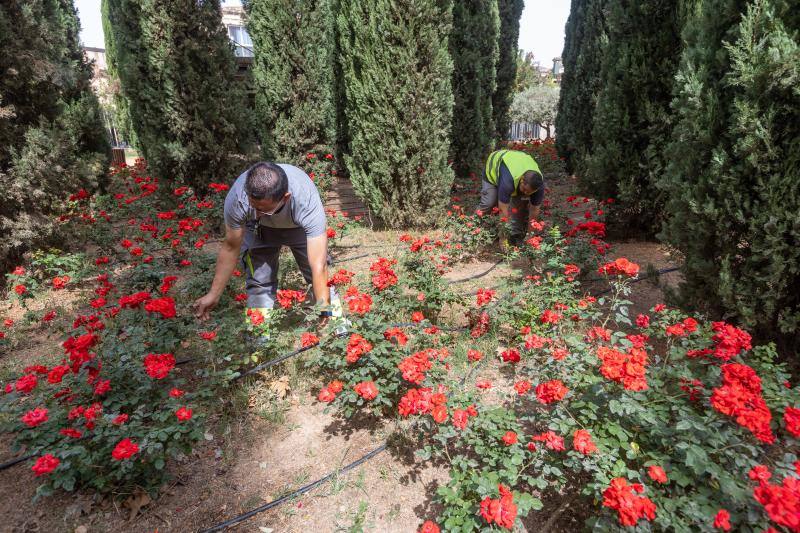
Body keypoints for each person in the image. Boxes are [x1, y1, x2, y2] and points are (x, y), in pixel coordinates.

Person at [193, 162, 341, 335]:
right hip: (258, 230)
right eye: (253, 207)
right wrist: (214, 294)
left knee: (314, 273)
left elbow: (318, 265)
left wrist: (324, 312)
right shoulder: (238, 198)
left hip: (297, 226)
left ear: (285, 197)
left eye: (264, 210)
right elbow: (231, 247)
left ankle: (338, 328)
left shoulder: (305, 199)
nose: (256, 214)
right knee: (258, 279)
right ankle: (259, 339)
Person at [477, 149, 545, 249]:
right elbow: (503, 209)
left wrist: (531, 236)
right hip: (494, 168)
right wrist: (503, 239)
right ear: (522, 180)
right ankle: (474, 227)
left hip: (516, 164)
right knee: (489, 202)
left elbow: (534, 210)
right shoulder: (508, 181)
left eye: (530, 192)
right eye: (525, 190)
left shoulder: (538, 186)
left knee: (519, 207)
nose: (527, 194)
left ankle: (515, 235)